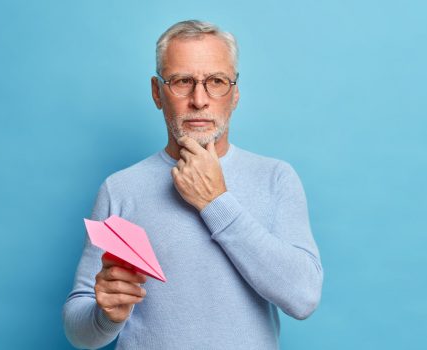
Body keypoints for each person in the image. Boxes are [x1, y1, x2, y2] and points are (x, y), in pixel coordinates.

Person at [63, 19, 323, 350]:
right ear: (157, 93)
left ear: (235, 94)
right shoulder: (121, 189)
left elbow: (303, 297)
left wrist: (215, 201)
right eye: (182, 81)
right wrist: (106, 316)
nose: (199, 100)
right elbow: (78, 330)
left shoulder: (276, 179)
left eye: (216, 81)